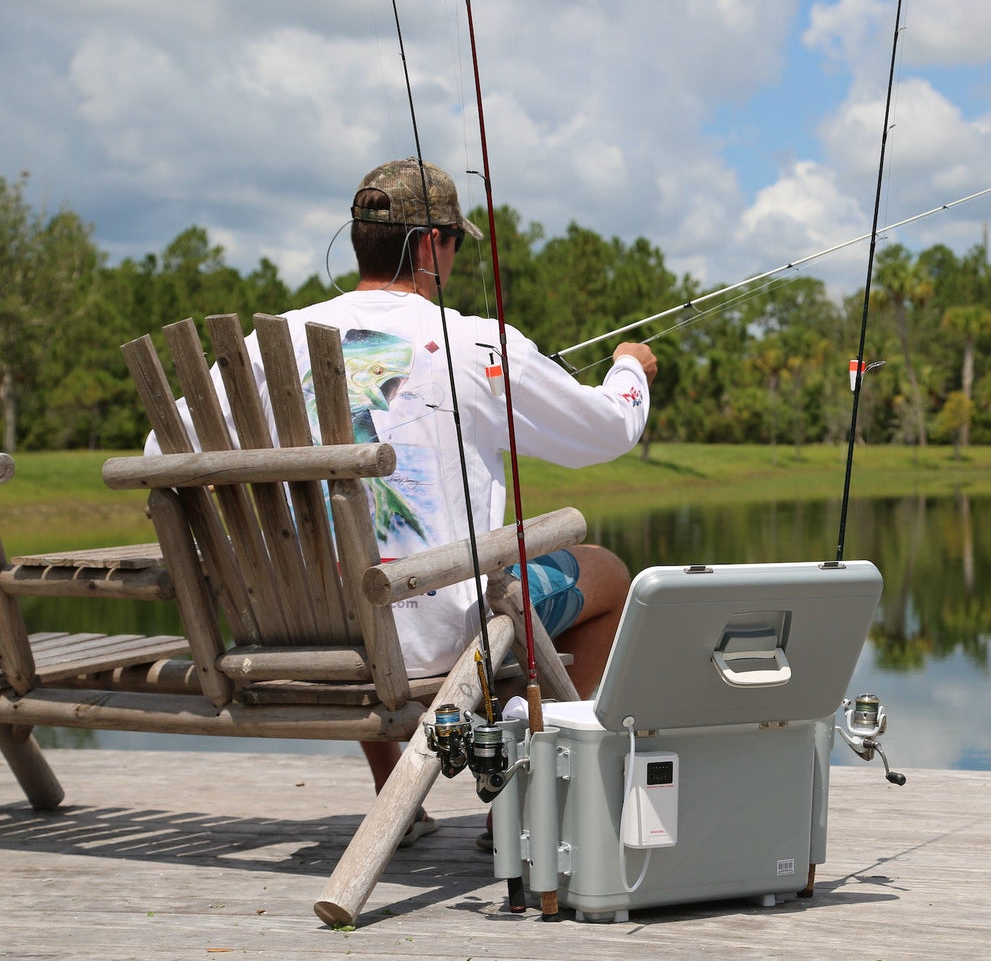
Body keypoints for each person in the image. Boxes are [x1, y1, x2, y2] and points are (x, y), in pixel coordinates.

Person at [148, 158, 657, 844]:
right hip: (442, 637)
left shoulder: (270, 346)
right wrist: (630, 368)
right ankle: (518, 783)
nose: (453, 256)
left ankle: (399, 790)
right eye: (454, 242)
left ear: (359, 240)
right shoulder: (478, 343)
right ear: (428, 246)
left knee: (352, 559)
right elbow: (607, 428)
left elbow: (158, 451)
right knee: (604, 571)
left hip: (302, 626)